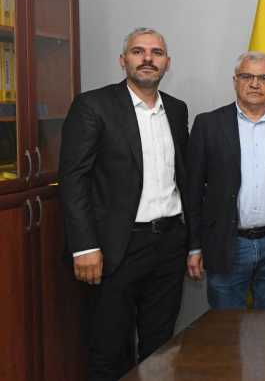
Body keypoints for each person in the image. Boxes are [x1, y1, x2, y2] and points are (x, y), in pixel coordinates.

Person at [59, 28, 189, 380]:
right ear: (123, 60)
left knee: (160, 348)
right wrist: (84, 246)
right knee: (109, 352)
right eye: (138, 51)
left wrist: (190, 242)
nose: (147, 58)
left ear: (167, 63)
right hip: (114, 247)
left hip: (169, 245)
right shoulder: (93, 105)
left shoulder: (177, 109)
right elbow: (74, 180)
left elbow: (183, 176)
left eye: (156, 53)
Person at [185, 52, 265, 309]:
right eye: (247, 76)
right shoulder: (208, 124)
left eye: (264, 78)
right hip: (226, 244)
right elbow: (193, 192)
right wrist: (194, 247)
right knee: (226, 328)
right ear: (235, 81)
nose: (255, 84)